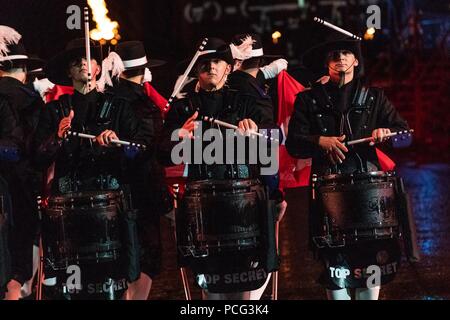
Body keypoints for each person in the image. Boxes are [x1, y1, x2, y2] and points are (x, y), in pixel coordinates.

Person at [285, 34, 409, 300]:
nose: (340, 58)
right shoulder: (308, 100)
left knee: (370, 261)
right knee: (334, 264)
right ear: (326, 62)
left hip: (370, 197)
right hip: (329, 196)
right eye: (333, 55)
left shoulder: (375, 98)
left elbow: (405, 134)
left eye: (345, 53)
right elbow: (293, 143)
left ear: (355, 60)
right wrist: (319, 141)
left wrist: (386, 133)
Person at [33, 38, 154, 300]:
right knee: (72, 288)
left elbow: (141, 151)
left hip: (111, 210)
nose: (82, 65)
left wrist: (117, 144)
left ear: (98, 68)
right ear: (68, 72)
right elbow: (37, 158)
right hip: (69, 213)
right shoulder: (55, 110)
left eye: (88, 60)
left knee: (115, 282)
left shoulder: (120, 107)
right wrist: (57, 137)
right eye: (76, 63)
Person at [161, 37, 279, 300]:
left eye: (217, 61)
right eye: (204, 63)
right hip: (203, 208)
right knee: (210, 289)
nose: (210, 67)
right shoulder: (183, 108)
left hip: (243, 205)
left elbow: (275, 142)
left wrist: (258, 131)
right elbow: (161, 156)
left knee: (242, 287)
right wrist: (178, 136)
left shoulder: (247, 101)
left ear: (229, 67)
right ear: (195, 71)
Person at [101, 40, 172, 300]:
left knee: (120, 260)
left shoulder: (104, 101)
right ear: (145, 72)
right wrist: (163, 201)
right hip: (140, 198)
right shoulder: (143, 106)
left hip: (108, 195)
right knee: (146, 257)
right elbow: (147, 156)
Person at [0, 25, 45, 300]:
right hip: (18, 190)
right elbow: (30, 149)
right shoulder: (28, 100)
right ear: (24, 69)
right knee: (17, 266)